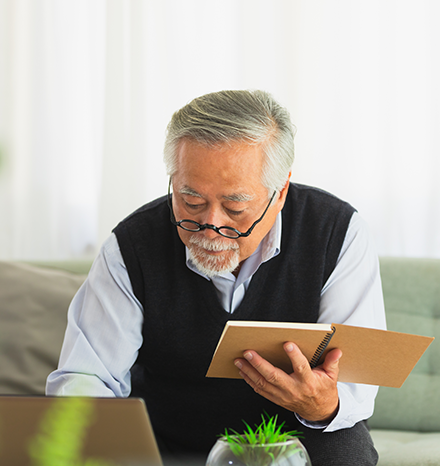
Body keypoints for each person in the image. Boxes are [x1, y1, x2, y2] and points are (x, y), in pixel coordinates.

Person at [47, 90, 386, 465]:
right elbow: (87, 375)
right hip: (169, 435)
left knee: (348, 450)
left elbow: (355, 387)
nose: (210, 226)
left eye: (235, 207)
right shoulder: (132, 244)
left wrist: (323, 403)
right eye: (190, 201)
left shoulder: (337, 232)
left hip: (297, 438)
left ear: (280, 192)